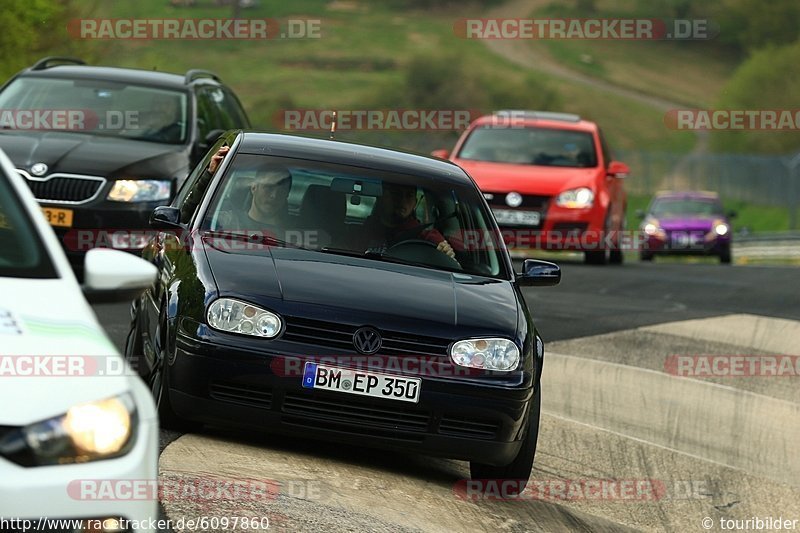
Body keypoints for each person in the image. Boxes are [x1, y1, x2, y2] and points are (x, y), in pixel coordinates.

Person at [362, 183, 456, 258]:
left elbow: (449, 265)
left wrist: (446, 253)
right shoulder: (363, 231)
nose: (402, 200)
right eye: (396, 193)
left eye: (409, 195)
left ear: (415, 203)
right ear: (382, 197)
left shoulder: (427, 236)